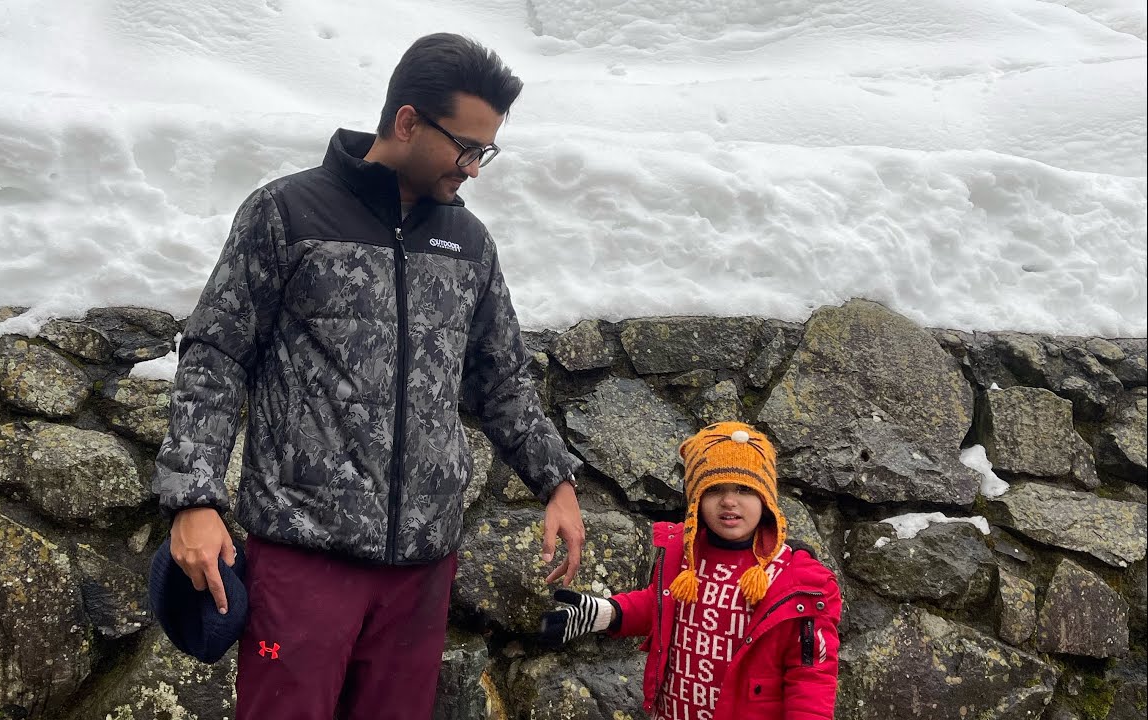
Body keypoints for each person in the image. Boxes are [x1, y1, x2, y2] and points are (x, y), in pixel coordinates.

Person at [153, 33, 585, 719]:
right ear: (408, 120)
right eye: (465, 147)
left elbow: (501, 378)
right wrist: (192, 499)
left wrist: (555, 482)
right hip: (303, 558)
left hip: (421, 568)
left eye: (486, 151)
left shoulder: (469, 244)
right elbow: (214, 354)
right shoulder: (287, 214)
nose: (474, 169)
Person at [540, 422, 840, 720]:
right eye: (714, 490)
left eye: (744, 488)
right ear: (696, 500)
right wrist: (604, 613)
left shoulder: (795, 580)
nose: (729, 500)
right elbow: (662, 607)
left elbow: (810, 677)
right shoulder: (684, 558)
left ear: (766, 500)